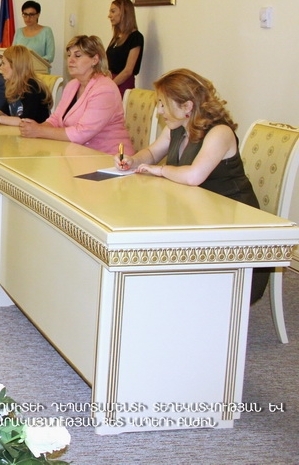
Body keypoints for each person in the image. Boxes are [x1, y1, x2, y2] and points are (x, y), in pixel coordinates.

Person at [114, 68, 268, 303]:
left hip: (234, 237)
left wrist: (161, 171)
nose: (160, 110)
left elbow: (194, 176)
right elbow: (153, 154)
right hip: (200, 220)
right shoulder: (177, 127)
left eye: (163, 104)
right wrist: (132, 161)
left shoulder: (220, 132)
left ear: (187, 106)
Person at [19, 35, 132, 155]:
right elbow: (56, 119)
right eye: (69, 55)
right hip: (78, 155)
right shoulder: (72, 85)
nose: (70, 60)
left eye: (77, 55)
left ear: (95, 60)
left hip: (109, 158)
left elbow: (82, 133)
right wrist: (35, 128)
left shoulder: (104, 89)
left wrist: (39, 131)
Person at [0, 45, 52, 126]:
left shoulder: (31, 86)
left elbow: (25, 121)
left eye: (3, 63)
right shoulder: (12, 86)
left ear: (15, 66)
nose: (1, 67)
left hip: (37, 133)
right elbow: (5, 113)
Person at [106, 0, 143, 97]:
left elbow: (128, 71)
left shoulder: (135, 37)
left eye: (113, 11)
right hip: (111, 82)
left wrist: (109, 85)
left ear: (124, 12)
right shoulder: (116, 37)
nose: (109, 15)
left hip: (123, 85)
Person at [13, 0, 55, 69]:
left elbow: (50, 56)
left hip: (39, 71)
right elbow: (13, 53)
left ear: (38, 15)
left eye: (31, 15)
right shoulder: (19, 32)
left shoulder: (46, 31)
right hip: (20, 71)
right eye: (25, 14)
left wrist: (31, 64)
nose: (28, 18)